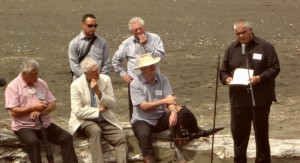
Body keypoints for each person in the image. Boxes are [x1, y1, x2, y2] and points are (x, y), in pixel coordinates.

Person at [130, 53, 221, 163]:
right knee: (143, 134)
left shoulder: (162, 79)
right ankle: (149, 158)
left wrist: (173, 111)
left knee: (183, 113)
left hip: (160, 116)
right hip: (143, 119)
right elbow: (143, 106)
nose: (153, 67)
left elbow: (171, 99)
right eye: (150, 65)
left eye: (154, 64)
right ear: (142, 69)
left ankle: (180, 146)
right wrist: (164, 101)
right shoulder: (135, 84)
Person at [219, 19, 280, 163]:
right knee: (239, 137)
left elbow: (275, 68)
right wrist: (227, 78)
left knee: (261, 136)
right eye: (237, 34)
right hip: (238, 101)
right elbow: (222, 71)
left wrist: (259, 78)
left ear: (251, 30)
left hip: (260, 99)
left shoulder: (265, 47)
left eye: (243, 32)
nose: (240, 36)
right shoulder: (231, 50)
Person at [4, 59, 78, 163]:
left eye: (37, 73)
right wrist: (33, 108)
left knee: (66, 138)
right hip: (24, 126)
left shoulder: (41, 83)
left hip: (44, 123)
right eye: (34, 74)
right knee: (33, 142)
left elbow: (53, 105)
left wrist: (42, 111)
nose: (37, 76)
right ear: (24, 74)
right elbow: (13, 111)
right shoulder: (13, 87)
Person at [68, 58, 127, 163]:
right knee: (95, 130)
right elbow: (77, 111)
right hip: (84, 120)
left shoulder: (105, 79)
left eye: (98, 69)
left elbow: (112, 104)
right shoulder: (75, 85)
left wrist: (99, 92)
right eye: (94, 72)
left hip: (103, 118)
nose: (98, 73)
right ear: (86, 73)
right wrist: (97, 110)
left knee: (120, 136)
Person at [112, 17, 165, 120]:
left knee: (157, 106)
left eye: (140, 28)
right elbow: (115, 60)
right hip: (135, 82)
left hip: (154, 80)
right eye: (135, 30)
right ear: (132, 32)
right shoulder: (127, 43)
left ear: (144, 27)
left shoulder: (155, 38)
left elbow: (160, 57)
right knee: (136, 110)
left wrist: (146, 45)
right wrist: (123, 73)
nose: (139, 31)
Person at [69, 13, 110, 82]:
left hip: (99, 82)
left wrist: (101, 79)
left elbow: (106, 63)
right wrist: (87, 78)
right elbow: (74, 66)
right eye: (90, 26)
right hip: (80, 82)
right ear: (83, 25)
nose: (93, 28)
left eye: (95, 26)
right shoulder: (74, 43)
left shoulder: (102, 42)